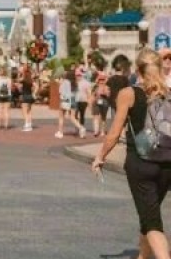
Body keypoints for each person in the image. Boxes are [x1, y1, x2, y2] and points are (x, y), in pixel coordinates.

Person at [92, 49, 171, 259]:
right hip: (167, 164)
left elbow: (114, 133)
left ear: (138, 69)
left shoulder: (129, 93)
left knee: (152, 222)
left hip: (141, 163)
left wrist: (101, 156)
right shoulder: (168, 93)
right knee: (149, 214)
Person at [56, 69, 85, 139]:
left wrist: (60, 84)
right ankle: (81, 127)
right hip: (74, 100)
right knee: (72, 117)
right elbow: (77, 93)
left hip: (65, 100)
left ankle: (60, 132)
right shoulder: (75, 83)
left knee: (61, 116)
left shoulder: (65, 82)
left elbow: (61, 92)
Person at [92, 72, 111, 137]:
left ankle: (102, 131)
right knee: (96, 116)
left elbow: (109, 95)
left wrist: (104, 92)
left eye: (103, 80)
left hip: (104, 102)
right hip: (96, 102)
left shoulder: (107, 87)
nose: (101, 81)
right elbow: (92, 94)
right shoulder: (95, 86)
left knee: (103, 117)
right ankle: (96, 131)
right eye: (100, 80)